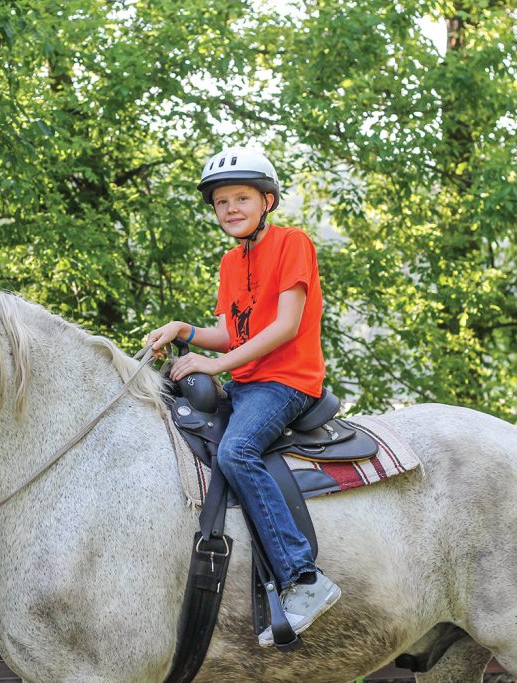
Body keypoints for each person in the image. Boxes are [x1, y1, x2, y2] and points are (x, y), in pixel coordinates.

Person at [146, 147, 341, 647]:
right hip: (248, 381)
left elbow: (285, 326)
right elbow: (232, 332)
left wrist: (214, 366)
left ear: (267, 201)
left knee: (237, 450)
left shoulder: (292, 243)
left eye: (241, 198)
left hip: (287, 381)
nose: (230, 209)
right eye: (221, 202)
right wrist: (185, 331)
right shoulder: (231, 261)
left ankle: (303, 578)